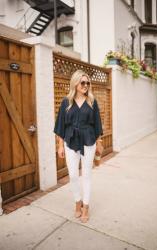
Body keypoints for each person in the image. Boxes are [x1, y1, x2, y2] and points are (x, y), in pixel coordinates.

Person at [54, 69, 103, 223]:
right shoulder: (66, 102)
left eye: (88, 83)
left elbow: (97, 125)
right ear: (75, 83)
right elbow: (60, 125)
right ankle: (77, 202)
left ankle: (86, 207)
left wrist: (98, 144)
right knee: (73, 175)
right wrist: (60, 146)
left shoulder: (92, 102)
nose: (86, 85)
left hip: (88, 140)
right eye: (83, 82)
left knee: (87, 174)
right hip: (70, 140)